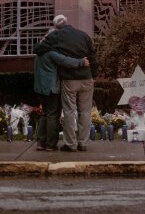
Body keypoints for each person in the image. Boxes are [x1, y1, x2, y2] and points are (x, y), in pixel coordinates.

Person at [33, 14, 98, 152]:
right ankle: (83, 143)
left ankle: (70, 144)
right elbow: (93, 55)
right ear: (68, 22)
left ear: (56, 26)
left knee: (69, 111)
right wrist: (94, 74)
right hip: (87, 78)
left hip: (70, 80)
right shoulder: (83, 35)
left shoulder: (56, 36)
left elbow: (38, 49)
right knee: (85, 112)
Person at [34, 51, 90, 151]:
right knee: (53, 115)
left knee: (45, 114)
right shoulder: (51, 53)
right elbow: (66, 61)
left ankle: (41, 143)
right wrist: (81, 61)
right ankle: (50, 144)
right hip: (52, 88)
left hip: (41, 88)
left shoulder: (39, 52)